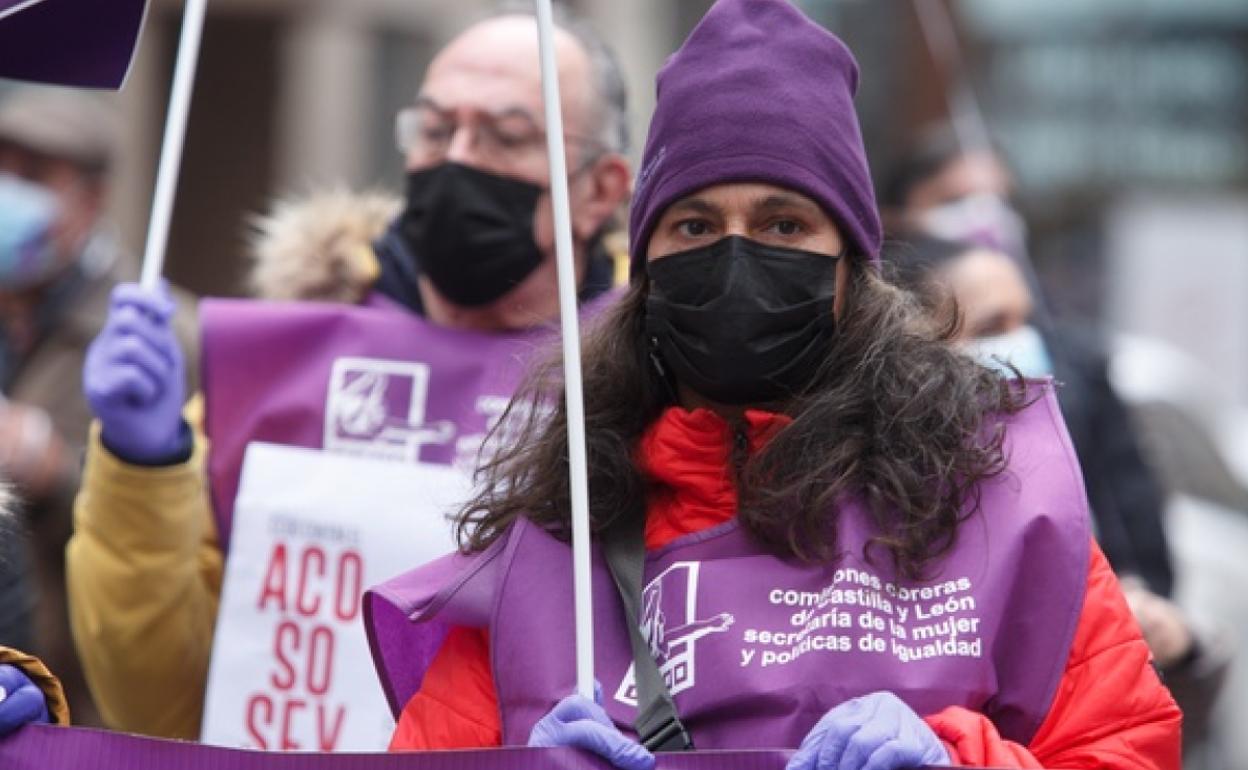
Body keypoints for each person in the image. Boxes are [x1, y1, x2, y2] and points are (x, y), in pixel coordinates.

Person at [365, 1, 1181, 769]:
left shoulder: (997, 495)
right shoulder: (556, 532)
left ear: (851, 269)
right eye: (694, 226)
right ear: (645, 269)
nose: (735, 255)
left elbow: (1125, 745)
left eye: (783, 224)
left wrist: (962, 757)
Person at [67, 8, 632, 740]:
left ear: (599, 188)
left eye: (507, 136)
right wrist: (142, 467)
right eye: (434, 129)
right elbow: (155, 699)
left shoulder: (651, 383)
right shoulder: (282, 366)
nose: (458, 157)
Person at [886, 232, 1229, 758]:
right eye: (991, 327)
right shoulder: (890, 516)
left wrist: (1174, 645)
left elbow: (1133, 728)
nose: (1022, 342)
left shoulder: (1054, 477)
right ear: (913, 346)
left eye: (1026, 320)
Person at [880, 127, 1176, 598]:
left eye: (1000, 199)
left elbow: (1132, 520)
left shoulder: (1080, 365)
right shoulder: (867, 418)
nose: (986, 216)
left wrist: (1147, 612)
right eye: (958, 199)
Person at [0, 86, 198, 727]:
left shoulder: (158, 337)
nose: (7, 190)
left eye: (32, 176)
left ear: (90, 200)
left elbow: (177, 527)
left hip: (72, 707)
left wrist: (51, 466)